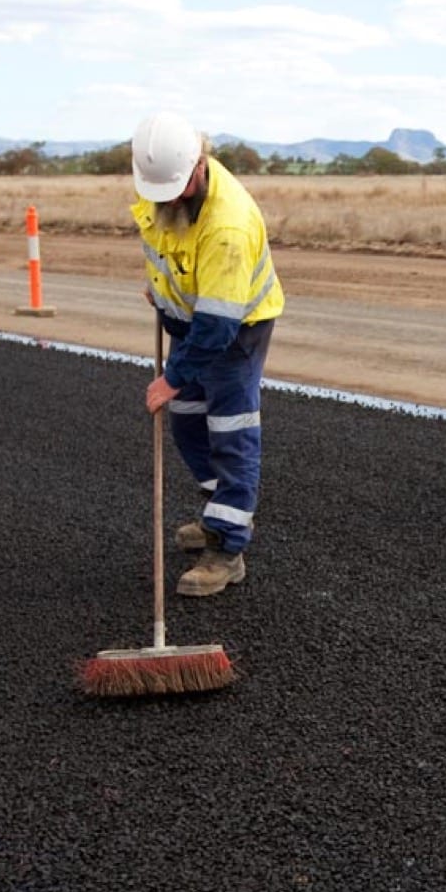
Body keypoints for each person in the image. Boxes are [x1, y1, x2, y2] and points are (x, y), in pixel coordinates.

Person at [129, 111, 285, 596]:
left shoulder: (228, 227)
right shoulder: (159, 185)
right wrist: (163, 289)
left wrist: (171, 378)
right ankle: (218, 513)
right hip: (189, 322)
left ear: (199, 165)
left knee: (230, 432)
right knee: (188, 423)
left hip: (234, 331)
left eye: (176, 189)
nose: (167, 199)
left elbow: (218, 325)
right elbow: (168, 247)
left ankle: (228, 548)